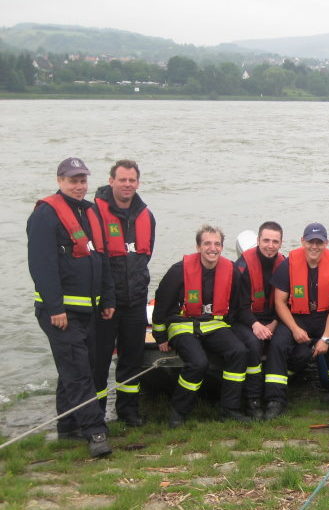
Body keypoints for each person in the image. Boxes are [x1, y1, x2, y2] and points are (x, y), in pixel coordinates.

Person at [27, 157, 115, 458]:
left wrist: (108, 298)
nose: (79, 186)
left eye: (82, 180)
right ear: (59, 180)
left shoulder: (90, 211)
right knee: (79, 372)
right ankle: (95, 431)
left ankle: (68, 427)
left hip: (88, 309)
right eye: (72, 180)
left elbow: (100, 259)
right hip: (59, 312)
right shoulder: (45, 214)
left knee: (77, 369)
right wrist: (55, 307)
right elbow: (42, 265)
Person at [262, 223, 329, 419]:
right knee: (278, 344)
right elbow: (279, 302)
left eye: (319, 242)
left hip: (326, 317)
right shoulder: (288, 265)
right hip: (297, 317)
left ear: (326, 243)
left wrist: (326, 338)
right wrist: (295, 329)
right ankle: (275, 400)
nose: (315, 246)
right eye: (311, 241)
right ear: (302, 241)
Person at [151, 225, 249, 427]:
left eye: (217, 244)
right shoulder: (178, 271)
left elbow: (239, 304)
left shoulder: (231, 271)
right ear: (198, 247)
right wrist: (161, 337)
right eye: (207, 243)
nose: (212, 248)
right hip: (183, 325)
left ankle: (229, 409)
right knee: (198, 363)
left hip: (214, 325)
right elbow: (162, 304)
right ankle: (179, 412)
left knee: (239, 352)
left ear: (222, 247)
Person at [92, 160, 155, 427]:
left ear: (138, 183)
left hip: (136, 300)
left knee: (132, 358)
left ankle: (128, 410)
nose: (127, 184)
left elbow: (146, 254)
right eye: (122, 179)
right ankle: (95, 415)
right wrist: (106, 296)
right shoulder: (94, 212)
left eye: (132, 180)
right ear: (111, 181)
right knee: (99, 360)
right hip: (106, 303)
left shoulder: (146, 216)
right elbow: (92, 259)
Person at [233, 221, 285, 420]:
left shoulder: (284, 264)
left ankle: (275, 399)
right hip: (246, 319)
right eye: (266, 240)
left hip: (274, 318)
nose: (270, 245)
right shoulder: (242, 267)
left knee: (281, 343)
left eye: (275, 241)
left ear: (280, 243)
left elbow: (287, 302)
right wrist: (255, 325)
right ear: (257, 241)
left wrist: (275, 323)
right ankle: (252, 400)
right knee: (254, 345)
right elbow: (238, 307)